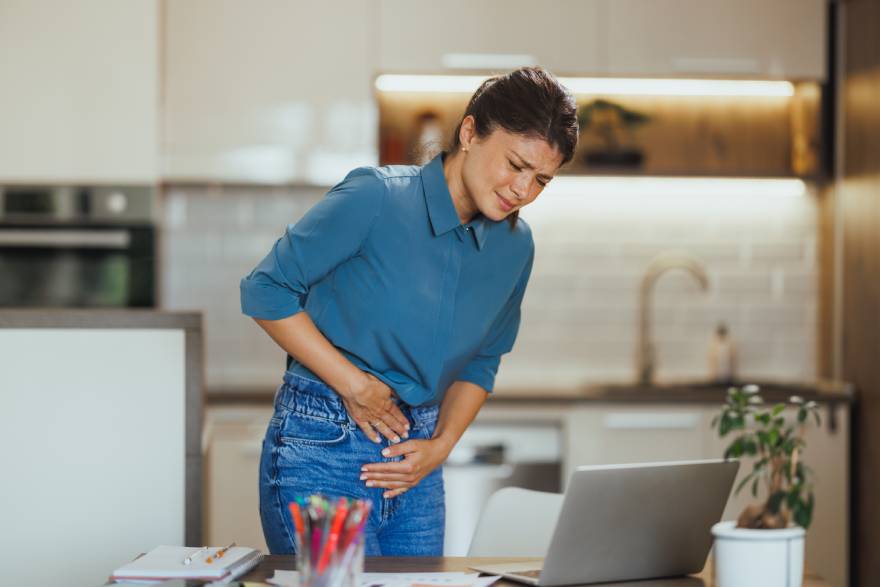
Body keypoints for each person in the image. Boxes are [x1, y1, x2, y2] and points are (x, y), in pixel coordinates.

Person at [239, 66, 578, 556]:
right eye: (514, 164)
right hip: (322, 445)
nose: (522, 190)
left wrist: (441, 446)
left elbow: (483, 360)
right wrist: (353, 386)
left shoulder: (515, 246)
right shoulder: (375, 197)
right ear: (469, 132)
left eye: (541, 179)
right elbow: (266, 290)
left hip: (416, 466)